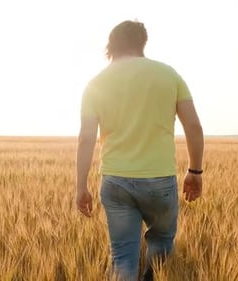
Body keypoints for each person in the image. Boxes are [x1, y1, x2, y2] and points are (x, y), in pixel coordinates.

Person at [75, 20, 204, 281]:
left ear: (110, 46)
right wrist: (195, 171)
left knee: (122, 257)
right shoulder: (168, 75)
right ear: (142, 44)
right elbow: (193, 125)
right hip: (160, 181)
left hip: (116, 182)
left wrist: (81, 186)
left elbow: (86, 138)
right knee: (161, 246)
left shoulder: (96, 83)